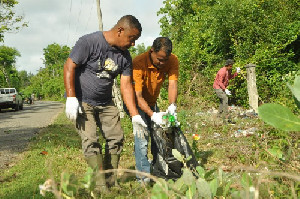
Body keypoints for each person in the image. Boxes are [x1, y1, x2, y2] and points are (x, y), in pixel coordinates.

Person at [63, 15, 147, 192]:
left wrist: (135, 115)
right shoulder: (89, 42)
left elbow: (125, 86)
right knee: (91, 140)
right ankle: (100, 185)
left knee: (116, 137)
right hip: (82, 101)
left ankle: (111, 181)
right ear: (120, 31)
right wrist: (71, 97)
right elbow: (69, 66)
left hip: (105, 102)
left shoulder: (125, 57)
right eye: (132, 39)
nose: (133, 44)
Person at [129, 37, 179, 183]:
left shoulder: (172, 60)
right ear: (152, 51)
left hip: (151, 102)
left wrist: (172, 105)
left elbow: (172, 84)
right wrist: (152, 115)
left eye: (165, 60)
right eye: (159, 59)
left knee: (158, 134)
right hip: (135, 102)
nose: (162, 63)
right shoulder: (138, 63)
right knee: (142, 137)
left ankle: (158, 172)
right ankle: (143, 179)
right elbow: (137, 96)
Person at [213, 59, 241, 123]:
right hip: (218, 88)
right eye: (231, 66)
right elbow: (220, 82)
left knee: (222, 102)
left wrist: (237, 73)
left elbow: (230, 77)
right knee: (225, 99)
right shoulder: (222, 71)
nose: (231, 67)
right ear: (228, 65)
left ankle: (218, 116)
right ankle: (226, 116)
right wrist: (225, 89)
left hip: (221, 87)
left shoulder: (227, 71)